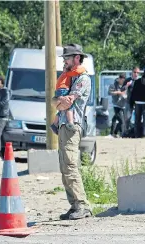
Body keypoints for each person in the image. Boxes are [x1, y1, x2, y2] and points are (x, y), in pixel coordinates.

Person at [52, 43, 92, 220]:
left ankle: (82, 205)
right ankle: (74, 204)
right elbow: (55, 102)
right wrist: (58, 102)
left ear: (77, 58)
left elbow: (66, 102)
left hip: (72, 125)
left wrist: (58, 102)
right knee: (64, 167)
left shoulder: (83, 78)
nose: (64, 61)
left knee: (70, 165)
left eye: (67, 58)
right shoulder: (68, 78)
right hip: (64, 125)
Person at [50, 65, 85, 134]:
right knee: (69, 106)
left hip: (59, 90)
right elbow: (77, 72)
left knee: (62, 109)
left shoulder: (63, 75)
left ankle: (54, 124)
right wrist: (83, 69)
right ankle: (70, 123)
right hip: (63, 90)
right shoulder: (67, 73)